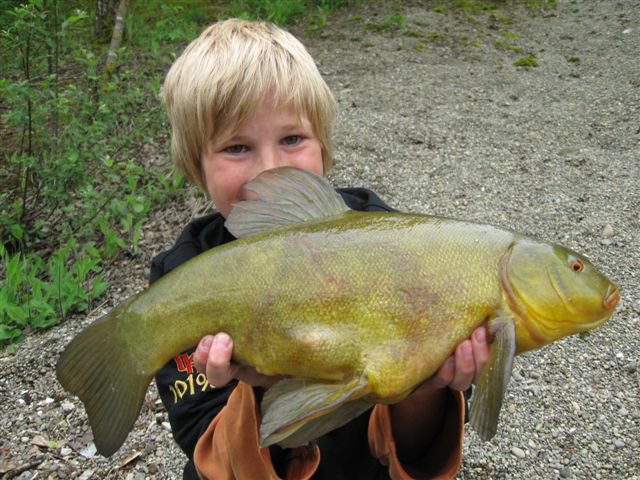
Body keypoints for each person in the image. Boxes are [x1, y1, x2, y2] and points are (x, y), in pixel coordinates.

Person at [151, 18, 490, 479]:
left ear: (324, 147)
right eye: (236, 147)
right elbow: (203, 442)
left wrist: (425, 383)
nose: (270, 169)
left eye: (292, 139)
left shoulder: (386, 235)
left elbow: (420, 436)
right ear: (197, 167)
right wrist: (262, 390)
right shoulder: (180, 278)